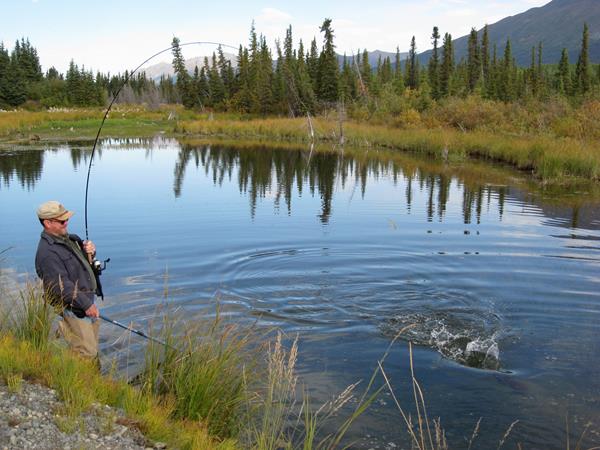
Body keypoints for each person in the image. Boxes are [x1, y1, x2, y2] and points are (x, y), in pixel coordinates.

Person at [34, 200, 101, 360]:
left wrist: (90, 251)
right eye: (62, 221)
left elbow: (82, 265)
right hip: (75, 309)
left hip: (86, 303)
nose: (66, 223)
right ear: (47, 223)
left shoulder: (68, 239)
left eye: (67, 219)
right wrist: (86, 305)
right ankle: (74, 383)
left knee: (92, 349)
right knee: (85, 353)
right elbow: (60, 287)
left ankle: (94, 379)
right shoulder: (48, 253)